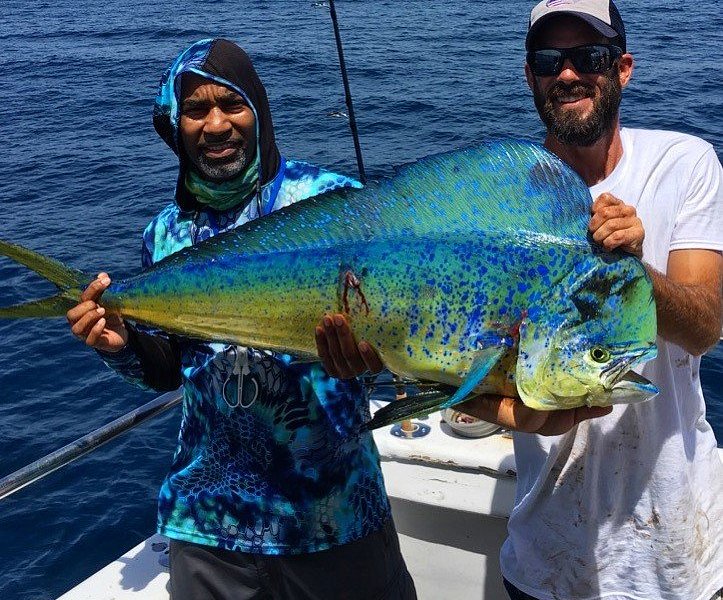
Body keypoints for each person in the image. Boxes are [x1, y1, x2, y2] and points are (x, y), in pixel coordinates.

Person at [315, 1, 723, 599]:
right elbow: (482, 369)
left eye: (589, 57)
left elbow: (706, 325)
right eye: (548, 59)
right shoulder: (500, 199)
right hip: (544, 563)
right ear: (530, 75)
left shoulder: (683, 164)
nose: (567, 74)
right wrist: (389, 355)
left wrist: (637, 272)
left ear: (623, 68)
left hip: (677, 566)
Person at [66, 38, 416, 600]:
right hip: (211, 529)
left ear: (259, 110)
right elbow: (169, 366)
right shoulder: (165, 235)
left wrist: (371, 358)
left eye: (232, 104)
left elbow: (389, 324)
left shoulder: (336, 201)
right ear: (173, 124)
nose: (216, 124)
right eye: (196, 110)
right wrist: (120, 344)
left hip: (333, 517)